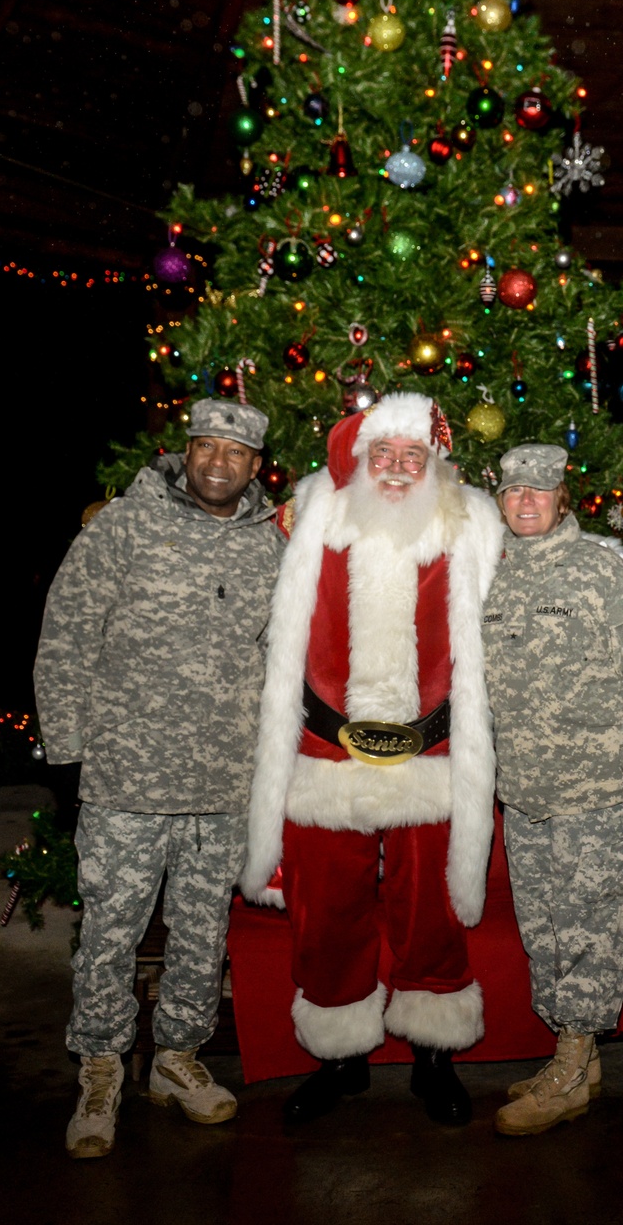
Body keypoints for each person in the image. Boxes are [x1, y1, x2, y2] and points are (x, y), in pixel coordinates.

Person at [241, 393, 502, 1127]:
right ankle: (339, 1057)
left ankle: (433, 1055)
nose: (395, 470)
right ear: (358, 460)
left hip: (433, 750)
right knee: (326, 913)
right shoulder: (312, 517)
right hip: (325, 752)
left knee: (431, 911)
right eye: (381, 456)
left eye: (411, 457)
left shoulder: (469, 524)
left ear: (434, 464)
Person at [34, 399, 284, 1159]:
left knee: (203, 935)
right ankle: (102, 1070)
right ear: (186, 452)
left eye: (235, 453)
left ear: (254, 466)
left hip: (221, 781)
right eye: (206, 446)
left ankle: (177, 1058)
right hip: (127, 779)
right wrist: (71, 749)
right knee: (110, 933)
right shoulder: (123, 526)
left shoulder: (268, 546)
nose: (218, 462)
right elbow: (66, 631)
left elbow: (283, 652)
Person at [481, 443, 623, 1137]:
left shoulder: (603, 570)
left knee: (591, 932)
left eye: (539, 491)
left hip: (598, 793)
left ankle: (569, 1067)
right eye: (513, 493)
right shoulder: (491, 576)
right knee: (546, 932)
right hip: (525, 793)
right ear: (500, 500)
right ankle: (579, 1055)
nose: (526, 502)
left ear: (562, 497)